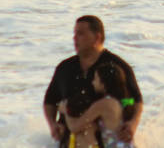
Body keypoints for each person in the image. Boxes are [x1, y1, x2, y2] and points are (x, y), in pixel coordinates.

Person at [43, 16, 143, 147]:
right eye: (74, 33)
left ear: (97, 38)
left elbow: (135, 100)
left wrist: (132, 124)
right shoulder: (65, 68)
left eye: (80, 33)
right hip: (69, 139)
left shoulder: (117, 66)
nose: (74, 38)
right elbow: (50, 101)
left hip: (106, 140)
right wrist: (52, 125)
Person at [59, 62, 134, 148]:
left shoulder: (103, 104)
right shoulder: (124, 101)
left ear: (104, 84)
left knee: (83, 132)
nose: (92, 82)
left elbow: (75, 127)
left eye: (95, 79)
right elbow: (134, 103)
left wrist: (65, 110)